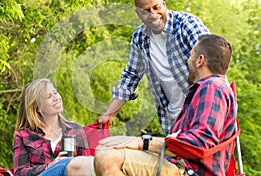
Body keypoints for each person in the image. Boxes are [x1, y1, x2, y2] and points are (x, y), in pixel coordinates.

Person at [94, 34, 237, 176]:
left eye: (191, 56)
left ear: (200, 60)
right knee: (79, 166)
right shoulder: (207, 89)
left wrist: (142, 142)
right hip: (177, 165)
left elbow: (199, 143)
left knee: (108, 158)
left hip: (189, 171)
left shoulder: (213, 88)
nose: (188, 60)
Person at [96, 0, 210, 135]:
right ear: (138, 14)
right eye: (145, 11)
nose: (153, 15)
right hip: (174, 120)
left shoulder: (186, 25)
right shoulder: (139, 38)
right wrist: (109, 113)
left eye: (156, 7)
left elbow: (212, 56)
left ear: (164, 3)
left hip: (202, 114)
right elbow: (131, 76)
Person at [13, 78, 95, 176]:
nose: (56, 98)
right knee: (65, 163)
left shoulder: (75, 130)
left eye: (55, 93)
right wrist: (50, 166)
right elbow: (19, 173)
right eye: (48, 97)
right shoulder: (23, 135)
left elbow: (87, 167)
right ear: (38, 108)